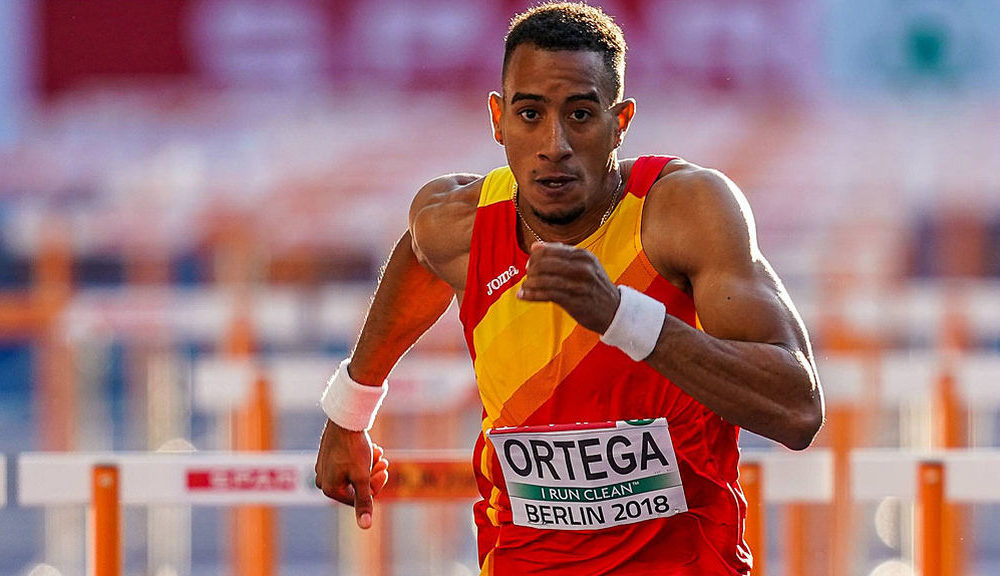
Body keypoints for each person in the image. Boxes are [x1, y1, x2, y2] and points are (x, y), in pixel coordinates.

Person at [314, 2, 824, 574]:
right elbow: (418, 253)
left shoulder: (683, 211)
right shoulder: (458, 223)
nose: (554, 143)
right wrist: (350, 410)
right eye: (530, 114)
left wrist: (622, 316)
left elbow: (797, 410)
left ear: (621, 121)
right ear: (498, 119)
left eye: (580, 114)